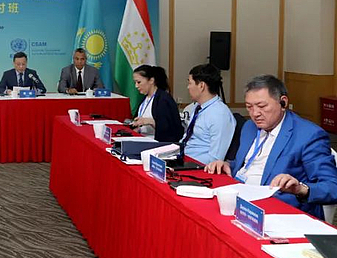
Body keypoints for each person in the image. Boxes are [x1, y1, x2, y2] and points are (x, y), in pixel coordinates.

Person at [205, 75, 337, 220]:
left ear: (283, 102)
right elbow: (245, 164)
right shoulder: (249, 127)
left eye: (262, 106)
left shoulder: (308, 135)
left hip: (278, 211)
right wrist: (227, 164)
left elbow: (332, 187)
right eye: (249, 107)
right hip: (239, 199)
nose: (255, 114)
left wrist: (300, 188)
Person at [182, 64, 236, 164]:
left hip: (198, 165)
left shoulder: (219, 114)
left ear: (201, 86)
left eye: (190, 83)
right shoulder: (198, 108)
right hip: (184, 158)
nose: (188, 87)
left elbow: (215, 158)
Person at [131, 65, 184, 142]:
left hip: (156, 143)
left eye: (139, 82)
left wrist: (151, 121)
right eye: (135, 82)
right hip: (141, 139)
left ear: (151, 80)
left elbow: (171, 129)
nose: (136, 86)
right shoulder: (145, 99)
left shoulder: (163, 99)